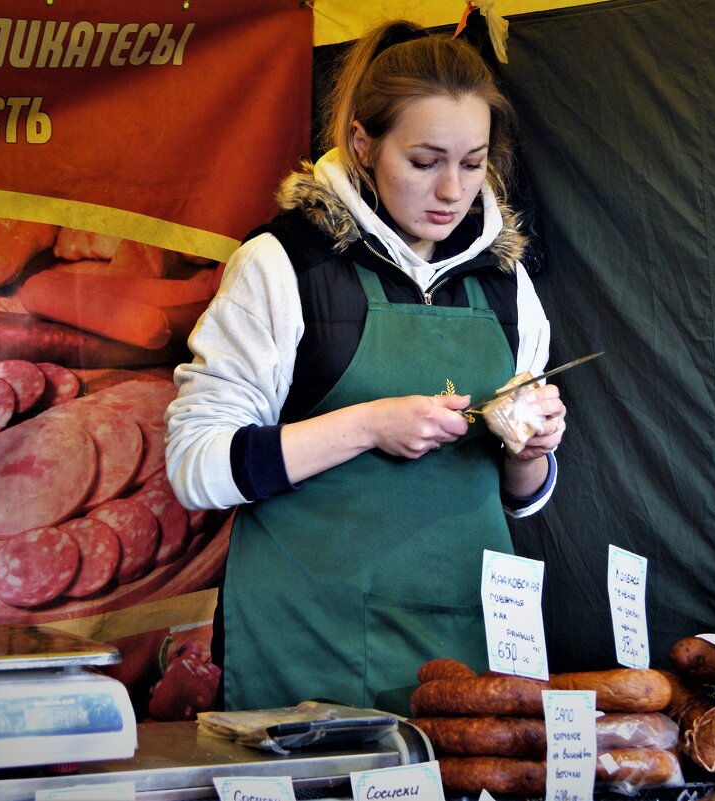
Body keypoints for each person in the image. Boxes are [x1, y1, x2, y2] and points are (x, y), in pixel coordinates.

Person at [165, 19, 567, 716]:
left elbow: (518, 498)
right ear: (362, 142)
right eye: (424, 161)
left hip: (468, 644)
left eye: (471, 163)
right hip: (308, 649)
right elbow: (195, 467)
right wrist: (367, 425)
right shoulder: (283, 263)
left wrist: (530, 450)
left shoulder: (507, 281)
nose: (451, 190)